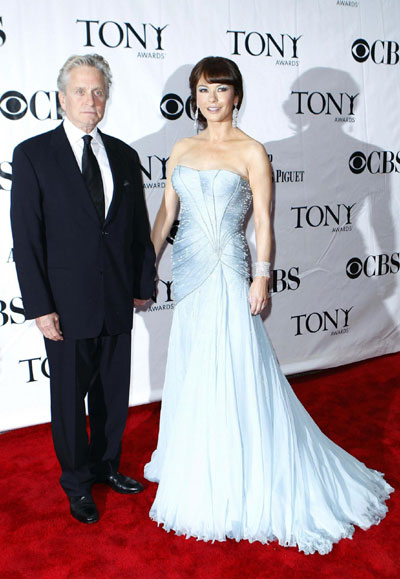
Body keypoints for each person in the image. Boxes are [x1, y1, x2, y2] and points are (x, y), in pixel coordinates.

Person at [144, 56, 393, 554]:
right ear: (194, 97)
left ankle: (240, 468)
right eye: (203, 90)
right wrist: (144, 265)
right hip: (189, 275)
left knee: (235, 365)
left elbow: (263, 224)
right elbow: (167, 211)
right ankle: (196, 458)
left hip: (231, 273)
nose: (211, 99)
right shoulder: (182, 147)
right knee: (195, 365)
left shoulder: (253, 151)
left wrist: (262, 277)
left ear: (237, 95)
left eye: (221, 89)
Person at [11, 54, 156, 524]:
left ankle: (106, 466)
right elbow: (26, 237)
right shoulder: (33, 154)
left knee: (113, 395)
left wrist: (141, 283)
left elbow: (137, 231)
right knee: (71, 402)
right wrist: (40, 306)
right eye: (80, 91)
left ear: (107, 98)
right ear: (61, 97)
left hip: (117, 298)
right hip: (65, 307)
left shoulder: (125, 155)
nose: (90, 100)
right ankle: (76, 484)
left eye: (98, 92)